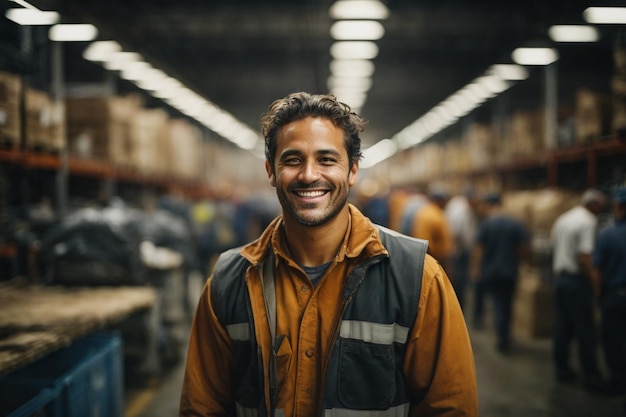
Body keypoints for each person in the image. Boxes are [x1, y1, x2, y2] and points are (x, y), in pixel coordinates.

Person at [179, 92, 478, 417]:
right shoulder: (230, 280)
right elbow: (201, 407)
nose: (309, 174)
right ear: (270, 171)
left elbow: (452, 407)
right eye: (293, 160)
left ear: (352, 170)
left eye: (326, 159)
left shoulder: (417, 278)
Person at [550, 188, 609, 392]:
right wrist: (596, 285)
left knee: (562, 327)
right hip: (576, 282)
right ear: (594, 205)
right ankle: (591, 378)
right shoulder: (588, 222)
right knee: (586, 330)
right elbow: (584, 258)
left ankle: (561, 369)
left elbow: (554, 247)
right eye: (600, 207)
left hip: (560, 279)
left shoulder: (564, 219)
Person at [470, 192, 530, 353]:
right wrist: (522, 263)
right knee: (507, 304)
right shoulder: (515, 223)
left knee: (497, 304)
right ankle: (505, 336)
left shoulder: (487, 224)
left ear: (489, 205)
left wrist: (476, 267)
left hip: (491, 270)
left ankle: (502, 337)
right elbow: (523, 248)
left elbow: (479, 248)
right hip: (510, 270)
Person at [592, 185, 626, 401]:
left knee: (614, 340)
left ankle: (618, 382)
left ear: (618, 206)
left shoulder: (608, 234)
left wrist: (598, 295)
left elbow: (597, 270)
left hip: (615, 296)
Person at [405, 183, 455, 274]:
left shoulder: (422, 212)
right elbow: (445, 243)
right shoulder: (438, 216)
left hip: (419, 256)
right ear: (441, 201)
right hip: (434, 259)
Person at [445, 186, 479, 311]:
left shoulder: (457, 204)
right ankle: (457, 310)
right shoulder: (462, 210)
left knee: (458, 283)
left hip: (457, 250)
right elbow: (456, 233)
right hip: (459, 252)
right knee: (459, 283)